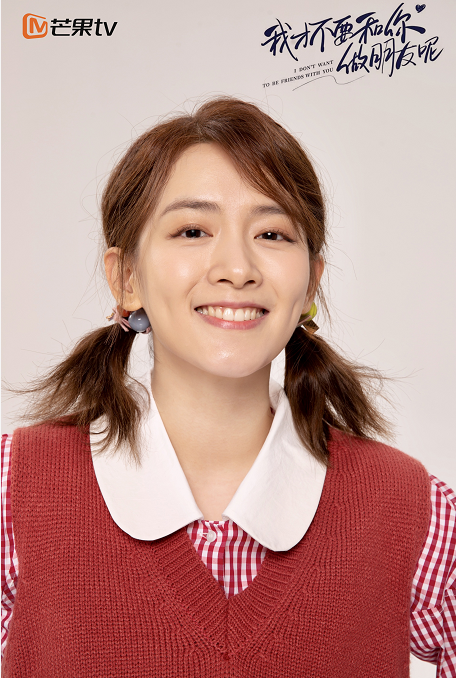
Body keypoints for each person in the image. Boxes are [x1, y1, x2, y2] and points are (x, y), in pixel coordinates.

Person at [1, 97, 455, 677]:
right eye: (192, 230)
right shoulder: (15, 494)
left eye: (273, 233)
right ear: (127, 277)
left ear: (311, 282)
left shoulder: (414, 512)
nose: (237, 268)